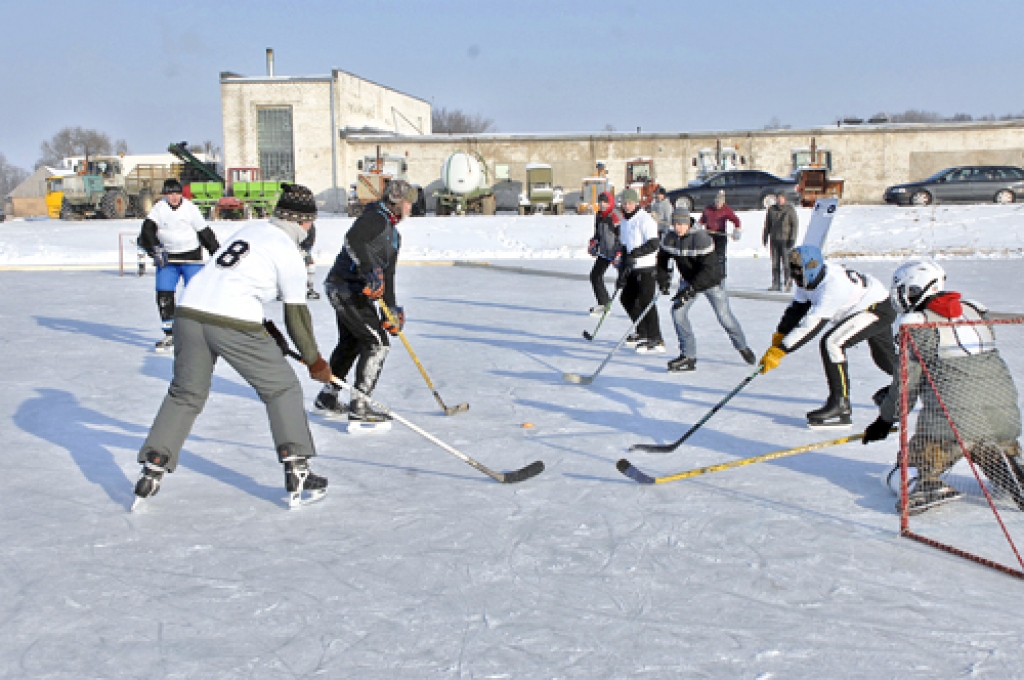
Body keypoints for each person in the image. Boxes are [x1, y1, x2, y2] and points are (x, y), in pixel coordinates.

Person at [132, 183, 333, 508]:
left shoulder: (251, 231)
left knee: (186, 393)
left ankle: (155, 462)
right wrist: (315, 361)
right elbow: (297, 316)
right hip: (232, 322)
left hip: (188, 313)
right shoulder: (289, 252)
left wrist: (266, 329)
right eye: (310, 222)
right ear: (302, 222)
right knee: (282, 388)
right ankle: (297, 468)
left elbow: (230, 281)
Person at [862, 260, 1024, 513]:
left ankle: (924, 484)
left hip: (951, 427)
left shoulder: (916, 324)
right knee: (988, 443)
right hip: (1003, 418)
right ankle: (1011, 467)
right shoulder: (974, 311)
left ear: (915, 290)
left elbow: (907, 385)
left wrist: (885, 419)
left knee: (901, 471)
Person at [314, 179, 417, 423]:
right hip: (345, 287)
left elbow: (388, 275)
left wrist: (390, 310)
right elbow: (353, 240)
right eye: (407, 202)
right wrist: (369, 269)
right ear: (396, 201)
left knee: (351, 343)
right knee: (377, 344)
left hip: (354, 291)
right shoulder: (375, 218)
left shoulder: (394, 234)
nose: (410, 207)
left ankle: (327, 397)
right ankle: (360, 404)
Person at [760, 245, 896, 427]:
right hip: (872, 301)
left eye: (798, 271)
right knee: (885, 359)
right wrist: (780, 335)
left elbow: (811, 326)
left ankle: (840, 405)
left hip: (876, 308)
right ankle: (915, 383)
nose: (794, 276)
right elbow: (796, 310)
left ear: (811, 267)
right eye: (792, 270)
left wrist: (780, 351)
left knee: (832, 343)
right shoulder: (807, 280)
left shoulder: (832, 286)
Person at [657, 206, 756, 372]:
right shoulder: (670, 238)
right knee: (677, 313)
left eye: (681, 224)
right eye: (675, 224)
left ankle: (742, 346)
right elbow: (662, 259)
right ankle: (688, 356)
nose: (678, 228)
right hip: (689, 280)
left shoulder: (701, 238)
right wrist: (663, 279)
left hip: (711, 282)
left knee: (724, 317)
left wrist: (691, 289)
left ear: (688, 223)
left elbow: (709, 270)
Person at [137, 178, 221, 352]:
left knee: (196, 295)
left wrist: (217, 254)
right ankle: (170, 334)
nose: (174, 197)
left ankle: (200, 333)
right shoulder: (159, 208)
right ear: (165, 195)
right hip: (168, 260)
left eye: (177, 193)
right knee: (164, 294)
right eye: (170, 194)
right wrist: (155, 249)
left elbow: (205, 233)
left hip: (191, 257)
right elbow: (147, 230)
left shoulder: (190, 209)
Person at [617, 188, 665, 354]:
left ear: (636, 203)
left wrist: (635, 254)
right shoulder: (625, 222)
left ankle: (656, 338)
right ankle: (642, 331)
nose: (627, 206)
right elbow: (625, 248)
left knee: (646, 301)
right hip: (632, 267)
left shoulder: (645, 219)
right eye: (625, 203)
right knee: (626, 298)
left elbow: (653, 244)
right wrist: (621, 272)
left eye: (630, 203)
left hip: (646, 267)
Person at [586, 191, 621, 315]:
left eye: (605, 202)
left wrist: (620, 251)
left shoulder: (615, 215)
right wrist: (594, 243)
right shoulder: (599, 216)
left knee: (625, 280)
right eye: (600, 202)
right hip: (605, 252)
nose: (602, 204)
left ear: (610, 202)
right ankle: (604, 303)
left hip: (617, 253)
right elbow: (598, 234)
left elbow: (623, 235)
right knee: (595, 276)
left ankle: (639, 305)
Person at [699, 189, 741, 279]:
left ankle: (721, 275)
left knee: (720, 256)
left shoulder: (726, 210)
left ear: (723, 203)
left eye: (720, 203)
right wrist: (697, 227)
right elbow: (702, 220)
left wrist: (737, 230)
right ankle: (708, 274)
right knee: (708, 256)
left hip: (720, 235)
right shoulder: (708, 209)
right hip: (709, 235)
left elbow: (736, 220)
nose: (718, 204)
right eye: (717, 202)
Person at [762, 192, 799, 291]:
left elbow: (795, 225)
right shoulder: (771, 210)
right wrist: (765, 237)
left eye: (781, 198)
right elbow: (767, 225)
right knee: (775, 263)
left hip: (785, 240)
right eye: (778, 198)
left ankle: (788, 283)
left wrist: (792, 238)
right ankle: (776, 284)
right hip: (774, 240)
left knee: (786, 264)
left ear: (785, 199)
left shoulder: (789, 210)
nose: (780, 200)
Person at [299, 224, 321, 300]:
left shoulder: (310, 225)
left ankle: (309, 289)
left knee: (310, 267)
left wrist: (306, 248)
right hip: (294, 248)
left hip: (304, 249)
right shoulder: (293, 223)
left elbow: (311, 239)